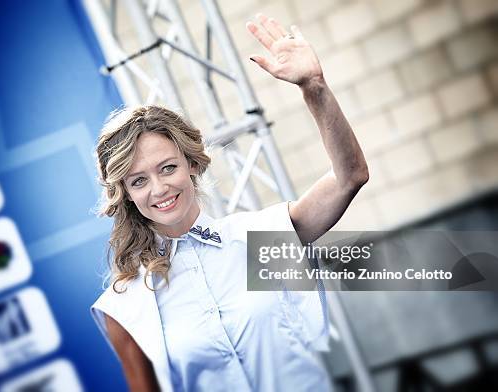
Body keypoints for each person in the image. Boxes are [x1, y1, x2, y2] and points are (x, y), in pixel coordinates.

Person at [91, 13, 369, 392]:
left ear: (191, 164)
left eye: (167, 167)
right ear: (125, 194)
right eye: (138, 180)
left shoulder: (258, 238)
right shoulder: (125, 305)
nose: (158, 189)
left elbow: (349, 177)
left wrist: (314, 87)